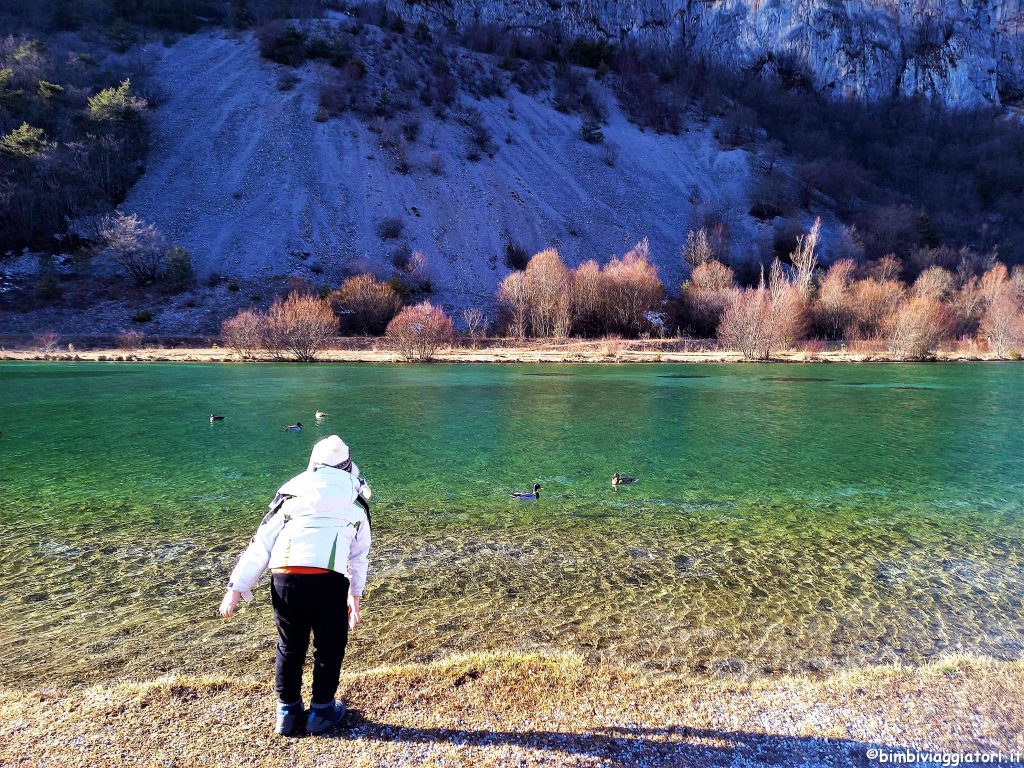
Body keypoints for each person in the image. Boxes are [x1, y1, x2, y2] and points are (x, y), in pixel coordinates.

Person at [219, 434, 372, 736]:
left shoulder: (288, 497)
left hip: (285, 577)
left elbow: (260, 545)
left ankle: (287, 715)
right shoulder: (356, 504)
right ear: (348, 468)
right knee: (330, 647)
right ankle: (321, 713)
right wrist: (355, 595)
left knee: (289, 646)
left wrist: (236, 588)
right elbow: (359, 555)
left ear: (312, 466)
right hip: (329, 581)